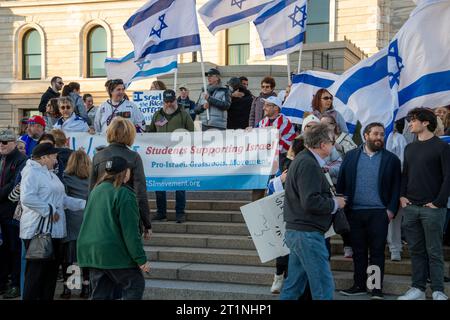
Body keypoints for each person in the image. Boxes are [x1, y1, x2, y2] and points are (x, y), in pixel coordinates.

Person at [280, 124, 346, 300]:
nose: (333, 146)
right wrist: (335, 203)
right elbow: (310, 201)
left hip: (300, 232)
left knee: (293, 287)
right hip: (307, 234)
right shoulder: (308, 163)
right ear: (323, 144)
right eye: (332, 142)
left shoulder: (304, 160)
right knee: (323, 288)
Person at [337, 122, 401, 300]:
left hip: (379, 213)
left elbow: (397, 188)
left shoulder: (391, 159)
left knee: (377, 251)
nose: (379, 137)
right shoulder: (350, 157)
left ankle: (375, 288)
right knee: (358, 251)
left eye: (382, 134)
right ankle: (359, 285)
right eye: (375, 134)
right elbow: (341, 182)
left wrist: (390, 211)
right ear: (366, 136)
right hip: (355, 212)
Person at [77, 156, 151, 300]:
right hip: (113, 252)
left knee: (101, 294)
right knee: (135, 284)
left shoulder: (96, 190)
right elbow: (131, 232)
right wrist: (141, 259)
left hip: (92, 252)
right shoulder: (124, 193)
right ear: (124, 172)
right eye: (128, 169)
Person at [20, 143, 85, 300]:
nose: (56, 161)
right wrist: (49, 210)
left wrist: (85, 205)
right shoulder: (31, 172)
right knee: (36, 275)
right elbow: (27, 197)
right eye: (54, 157)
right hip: (37, 231)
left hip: (55, 231)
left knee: (50, 274)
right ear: (44, 158)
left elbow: (62, 199)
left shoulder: (50, 173)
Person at [398, 108, 450, 301]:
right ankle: (417, 289)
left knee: (434, 251)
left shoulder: (442, 147)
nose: (410, 124)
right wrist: (402, 196)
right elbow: (405, 175)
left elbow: (448, 177)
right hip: (411, 207)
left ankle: (438, 290)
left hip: (433, 209)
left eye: (413, 120)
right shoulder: (409, 147)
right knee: (415, 250)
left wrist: (438, 202)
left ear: (426, 122)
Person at [90, 117, 152, 240]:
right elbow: (140, 193)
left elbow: (91, 191)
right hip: (127, 215)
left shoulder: (97, 157)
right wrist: (146, 223)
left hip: (102, 215)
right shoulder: (134, 157)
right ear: (130, 134)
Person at [148, 90, 194, 223]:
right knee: (159, 185)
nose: (169, 104)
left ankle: (180, 212)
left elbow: (192, 134)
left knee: (180, 184)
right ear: (163, 102)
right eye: (166, 102)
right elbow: (150, 133)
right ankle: (161, 212)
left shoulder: (183, 115)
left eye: (171, 101)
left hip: (179, 156)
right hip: (160, 156)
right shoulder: (157, 115)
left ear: (175, 100)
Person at [269, 136, 305, 295]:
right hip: (283, 213)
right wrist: (281, 179)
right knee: (283, 249)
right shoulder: (285, 163)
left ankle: (291, 281)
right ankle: (278, 276)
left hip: (303, 215)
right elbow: (270, 186)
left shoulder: (310, 165)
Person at [59, 150, 91, 299]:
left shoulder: (65, 177)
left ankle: (68, 287)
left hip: (71, 219)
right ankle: (86, 286)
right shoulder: (92, 179)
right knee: (85, 256)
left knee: (69, 256)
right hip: (87, 219)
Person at [0, 129, 27, 299]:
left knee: (15, 249)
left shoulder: (21, 160)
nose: (1, 145)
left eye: (4, 142)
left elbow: (14, 185)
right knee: (2, 250)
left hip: (12, 213)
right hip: (1, 212)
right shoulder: (1, 157)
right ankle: (2, 282)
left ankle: (16, 284)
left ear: (14, 143)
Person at [386, 119, 408, 262]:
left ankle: (395, 248)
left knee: (396, 217)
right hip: (382, 184)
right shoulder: (382, 136)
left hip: (399, 182)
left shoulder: (401, 138)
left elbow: (404, 161)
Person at [257, 96, 296, 171]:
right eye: (264, 105)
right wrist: (250, 131)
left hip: (280, 163)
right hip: (264, 161)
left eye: (267, 105)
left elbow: (291, 146)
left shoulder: (286, 123)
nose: (264, 108)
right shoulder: (262, 122)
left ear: (276, 108)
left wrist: (280, 139)